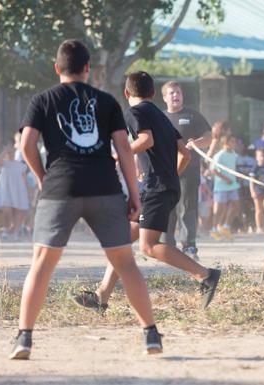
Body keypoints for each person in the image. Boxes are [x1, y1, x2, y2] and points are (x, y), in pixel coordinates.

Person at [12, 39, 160, 359]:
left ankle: (24, 338)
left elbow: (26, 145)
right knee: (125, 262)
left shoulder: (43, 100)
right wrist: (134, 195)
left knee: (42, 264)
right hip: (104, 188)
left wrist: (43, 179)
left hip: (60, 188)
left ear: (57, 68)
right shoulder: (106, 101)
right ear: (88, 69)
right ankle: (150, 334)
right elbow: (124, 151)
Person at [74, 71, 221, 315]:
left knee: (149, 246)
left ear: (126, 93)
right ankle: (101, 296)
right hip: (164, 185)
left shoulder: (134, 112)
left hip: (156, 187)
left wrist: (120, 154)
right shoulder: (162, 117)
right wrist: (172, 176)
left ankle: (206, 276)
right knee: (121, 239)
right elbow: (185, 153)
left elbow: (146, 140)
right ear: (153, 94)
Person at [161, 81, 212, 258]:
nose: (176, 95)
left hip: (188, 173)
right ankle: (166, 245)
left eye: (178, 93)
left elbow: (208, 137)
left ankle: (189, 246)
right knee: (167, 208)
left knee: (187, 208)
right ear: (164, 97)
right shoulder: (159, 118)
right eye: (172, 93)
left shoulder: (192, 116)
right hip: (165, 173)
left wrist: (196, 143)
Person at [0, 135, 30, 240]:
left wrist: (28, 193)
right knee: (6, 209)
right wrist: (5, 151)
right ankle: (7, 228)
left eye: (12, 152)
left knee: (17, 211)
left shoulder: (20, 165)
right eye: (9, 152)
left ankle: (15, 232)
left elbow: (24, 179)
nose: (11, 154)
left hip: (18, 191)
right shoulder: (3, 164)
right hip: (6, 191)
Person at [210, 134, 241, 240]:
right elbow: (213, 170)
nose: (235, 144)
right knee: (219, 209)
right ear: (225, 143)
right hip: (221, 186)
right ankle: (214, 230)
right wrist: (225, 179)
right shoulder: (219, 155)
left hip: (233, 185)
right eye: (232, 141)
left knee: (236, 206)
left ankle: (226, 227)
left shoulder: (234, 154)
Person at [235, 137, 256, 233]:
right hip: (238, 186)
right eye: (237, 144)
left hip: (249, 186)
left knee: (250, 206)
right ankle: (239, 226)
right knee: (239, 207)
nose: (239, 146)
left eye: (240, 144)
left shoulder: (251, 160)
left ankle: (251, 225)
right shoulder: (234, 158)